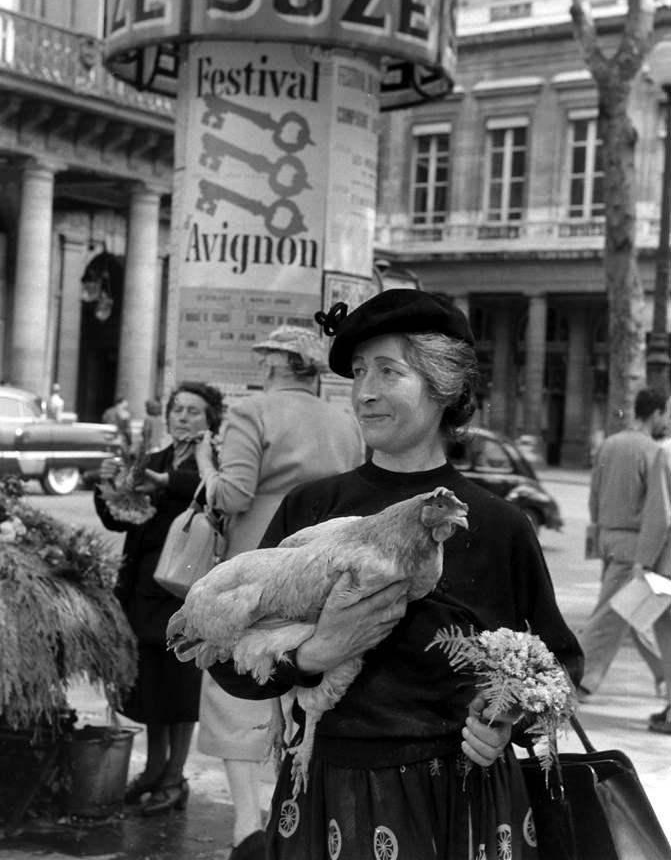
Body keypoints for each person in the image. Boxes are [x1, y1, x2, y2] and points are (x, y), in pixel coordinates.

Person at [206, 289, 582, 860]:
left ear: (442, 386)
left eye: (389, 371)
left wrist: (507, 716)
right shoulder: (313, 508)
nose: (364, 393)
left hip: (462, 801)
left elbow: (558, 663)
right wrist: (312, 655)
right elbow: (231, 663)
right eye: (358, 372)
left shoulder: (497, 524)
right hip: (330, 793)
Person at [194, 326, 364, 860]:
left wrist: (204, 467)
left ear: (277, 363)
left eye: (264, 355)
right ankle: (290, 816)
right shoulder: (345, 419)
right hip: (327, 573)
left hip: (257, 571)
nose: (260, 363)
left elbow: (236, 492)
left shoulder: (253, 411)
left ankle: (247, 824)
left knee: (235, 692)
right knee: (302, 692)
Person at [94, 380, 225, 816]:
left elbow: (213, 496)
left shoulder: (214, 463)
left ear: (210, 420)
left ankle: (174, 776)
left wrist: (166, 483)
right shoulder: (151, 460)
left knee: (180, 684)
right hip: (145, 586)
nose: (183, 417)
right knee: (152, 684)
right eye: (178, 410)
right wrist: (106, 489)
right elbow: (121, 521)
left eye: (193, 411)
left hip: (188, 589)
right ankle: (153, 769)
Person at [578, 386, 668, 699]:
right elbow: (658, 507)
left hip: (608, 538)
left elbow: (594, 494)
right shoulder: (653, 451)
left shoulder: (609, 444)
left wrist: (597, 533)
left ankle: (662, 674)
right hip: (635, 545)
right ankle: (580, 677)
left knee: (636, 614)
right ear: (656, 413)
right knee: (613, 615)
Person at [635, 437, 671, 733]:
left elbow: (660, 514)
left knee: (668, 636)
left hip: (667, 565)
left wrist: (644, 560)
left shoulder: (666, 451)